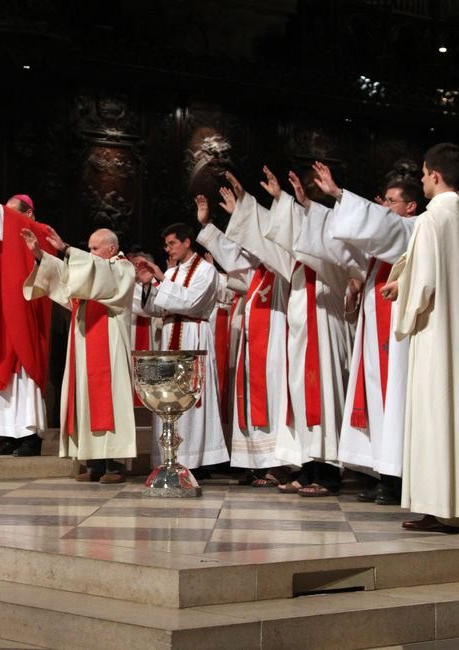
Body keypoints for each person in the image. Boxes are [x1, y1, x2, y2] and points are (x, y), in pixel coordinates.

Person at [385, 142, 459, 533]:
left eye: (423, 174)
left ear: (434, 175)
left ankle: (441, 510)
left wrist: (405, 302)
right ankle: (457, 508)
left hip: (437, 335)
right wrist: (405, 282)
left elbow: (425, 281)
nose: (422, 181)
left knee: (434, 418)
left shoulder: (431, 221)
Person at [299, 164, 421, 505]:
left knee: (393, 399)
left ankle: (397, 477)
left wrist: (339, 194)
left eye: (393, 201)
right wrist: (314, 209)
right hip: (373, 325)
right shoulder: (389, 233)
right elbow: (339, 247)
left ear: (411, 206)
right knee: (375, 399)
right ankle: (381, 472)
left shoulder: (414, 229)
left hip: (395, 329)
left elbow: (385, 229)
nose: (386, 207)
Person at [224, 167, 351, 497]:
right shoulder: (295, 262)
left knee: (323, 400)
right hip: (300, 336)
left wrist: (296, 203)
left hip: (324, 332)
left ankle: (329, 474)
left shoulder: (332, 256)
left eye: (306, 215)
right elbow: (268, 239)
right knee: (298, 398)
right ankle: (308, 469)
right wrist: (249, 204)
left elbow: (303, 229)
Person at [22, 226, 137, 484]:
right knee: (84, 399)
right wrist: (41, 255)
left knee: (109, 400)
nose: (90, 253)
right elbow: (66, 281)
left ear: (112, 249)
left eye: (95, 249)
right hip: (84, 343)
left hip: (109, 345)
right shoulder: (92, 270)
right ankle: (93, 463)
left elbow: (101, 278)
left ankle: (115, 466)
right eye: (89, 248)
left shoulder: (123, 268)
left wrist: (66, 250)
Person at [196, 193, 290, 486]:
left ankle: (279, 464)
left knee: (274, 401)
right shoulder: (260, 273)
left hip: (276, 343)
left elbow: (236, 258)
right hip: (255, 345)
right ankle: (258, 463)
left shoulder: (283, 265)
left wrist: (243, 213)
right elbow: (233, 259)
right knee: (252, 401)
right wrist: (209, 225)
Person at [135, 222, 229, 475]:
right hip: (170, 336)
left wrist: (162, 278)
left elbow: (190, 302)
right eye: (165, 245)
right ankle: (170, 456)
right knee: (168, 397)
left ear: (187, 242)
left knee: (192, 398)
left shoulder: (206, 270)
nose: (168, 249)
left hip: (192, 335)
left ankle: (196, 460)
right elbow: (154, 308)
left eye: (172, 244)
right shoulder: (174, 272)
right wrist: (146, 285)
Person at [0, 186, 53, 457]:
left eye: (10, 214)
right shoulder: (4, 236)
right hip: (5, 310)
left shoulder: (42, 232)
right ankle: (7, 433)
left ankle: (29, 436)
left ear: (28, 214)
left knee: (24, 375)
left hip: (26, 311)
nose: (3, 218)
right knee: (3, 369)